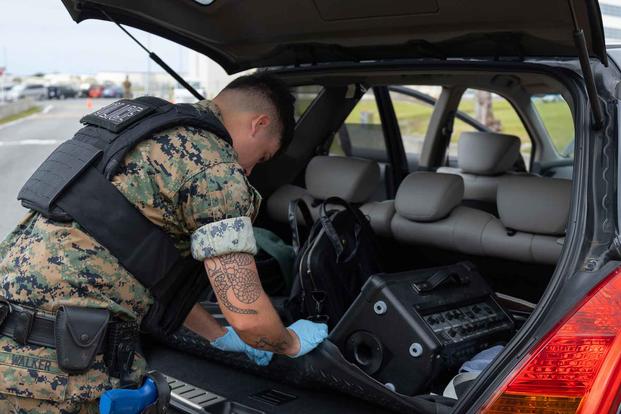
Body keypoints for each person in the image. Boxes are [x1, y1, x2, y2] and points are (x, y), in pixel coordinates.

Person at [0, 73, 328, 413]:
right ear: (258, 125)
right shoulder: (215, 168)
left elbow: (145, 266)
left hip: (12, 350)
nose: (249, 171)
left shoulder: (141, 129)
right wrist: (289, 342)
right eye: (261, 157)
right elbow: (247, 317)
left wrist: (217, 335)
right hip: (58, 373)